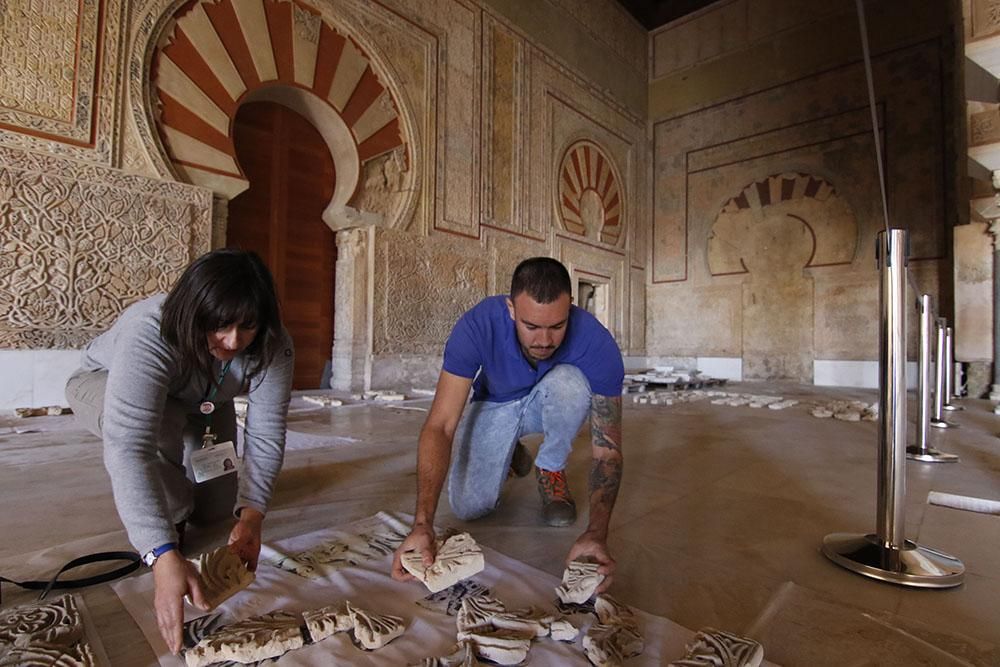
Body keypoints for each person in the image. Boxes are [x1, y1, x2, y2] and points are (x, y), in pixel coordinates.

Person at [64, 249, 294, 654]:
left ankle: (180, 503)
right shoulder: (150, 331)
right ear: (194, 312)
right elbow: (130, 445)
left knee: (215, 508)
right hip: (102, 385)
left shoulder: (273, 344)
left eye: (247, 327)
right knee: (161, 439)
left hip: (204, 400)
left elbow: (267, 432)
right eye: (220, 326)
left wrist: (253, 515)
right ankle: (169, 523)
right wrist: (160, 551)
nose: (233, 341)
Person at [391, 257, 624, 590]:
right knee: (469, 507)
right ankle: (510, 451)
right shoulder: (477, 325)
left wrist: (596, 534)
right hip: (496, 403)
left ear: (569, 310)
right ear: (511, 309)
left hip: (550, 398)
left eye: (556, 326)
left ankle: (550, 468)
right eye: (531, 326)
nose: (544, 340)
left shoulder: (596, 343)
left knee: (572, 383)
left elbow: (608, 453)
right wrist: (422, 524)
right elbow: (441, 424)